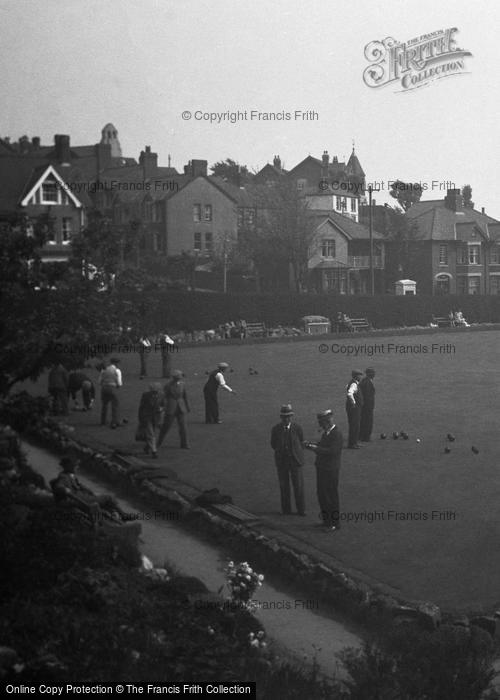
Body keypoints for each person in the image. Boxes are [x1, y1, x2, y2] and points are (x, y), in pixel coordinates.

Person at [51, 456, 129, 520]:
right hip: (80, 500)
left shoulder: (70, 475)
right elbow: (59, 485)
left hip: (82, 497)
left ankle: (114, 518)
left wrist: (92, 493)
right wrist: (65, 489)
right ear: (69, 466)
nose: (77, 467)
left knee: (103, 501)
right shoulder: (64, 477)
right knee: (108, 498)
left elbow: (81, 486)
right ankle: (123, 515)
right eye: (75, 465)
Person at [304, 409, 343, 532]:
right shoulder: (328, 433)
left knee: (330, 496)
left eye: (322, 423)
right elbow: (322, 445)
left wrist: (315, 448)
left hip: (330, 470)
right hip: (323, 469)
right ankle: (327, 521)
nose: (321, 426)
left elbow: (332, 451)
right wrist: (311, 444)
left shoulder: (336, 434)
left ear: (326, 422)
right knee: (322, 495)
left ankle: (333, 524)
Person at [270, 404, 305, 516]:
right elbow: (273, 444)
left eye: (288, 416)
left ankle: (301, 510)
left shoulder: (297, 428)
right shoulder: (275, 429)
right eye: (284, 417)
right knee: (284, 486)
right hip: (282, 462)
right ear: (281, 417)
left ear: (291, 417)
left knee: (298, 486)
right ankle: (286, 510)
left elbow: (301, 441)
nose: (286, 419)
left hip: (295, 461)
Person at [157, 370, 190, 449]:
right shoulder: (168, 385)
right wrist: (161, 406)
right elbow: (163, 396)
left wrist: (187, 407)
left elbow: (185, 396)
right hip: (170, 408)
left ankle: (184, 444)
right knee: (166, 427)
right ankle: (158, 443)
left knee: (183, 427)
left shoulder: (182, 384)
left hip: (181, 408)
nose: (180, 379)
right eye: (178, 377)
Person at [137, 382, 164, 458]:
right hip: (147, 417)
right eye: (153, 391)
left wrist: (161, 409)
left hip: (156, 417)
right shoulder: (145, 395)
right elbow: (141, 407)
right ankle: (154, 451)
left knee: (153, 434)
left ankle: (147, 447)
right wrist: (140, 418)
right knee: (151, 434)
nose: (155, 392)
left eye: (156, 391)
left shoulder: (162, 395)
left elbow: (164, 405)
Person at [99, 357, 122, 428]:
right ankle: (114, 422)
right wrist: (117, 386)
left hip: (104, 388)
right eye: (118, 363)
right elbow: (119, 383)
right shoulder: (117, 371)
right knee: (115, 405)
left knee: (104, 405)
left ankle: (103, 421)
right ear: (116, 363)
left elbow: (99, 382)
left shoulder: (104, 370)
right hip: (112, 388)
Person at [345, 369, 364, 449]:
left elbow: (346, 387)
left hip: (352, 408)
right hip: (354, 408)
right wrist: (353, 403)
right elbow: (349, 393)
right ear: (356, 376)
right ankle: (352, 444)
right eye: (359, 375)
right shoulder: (354, 384)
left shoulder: (352, 382)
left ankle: (354, 442)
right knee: (354, 425)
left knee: (355, 425)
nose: (361, 377)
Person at [359, 368, 376, 442]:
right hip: (367, 406)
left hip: (364, 406)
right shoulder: (367, 382)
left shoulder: (365, 381)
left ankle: (361, 436)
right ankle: (366, 437)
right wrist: (369, 407)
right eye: (373, 373)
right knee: (368, 421)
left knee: (363, 420)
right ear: (369, 374)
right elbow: (367, 396)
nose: (374, 374)